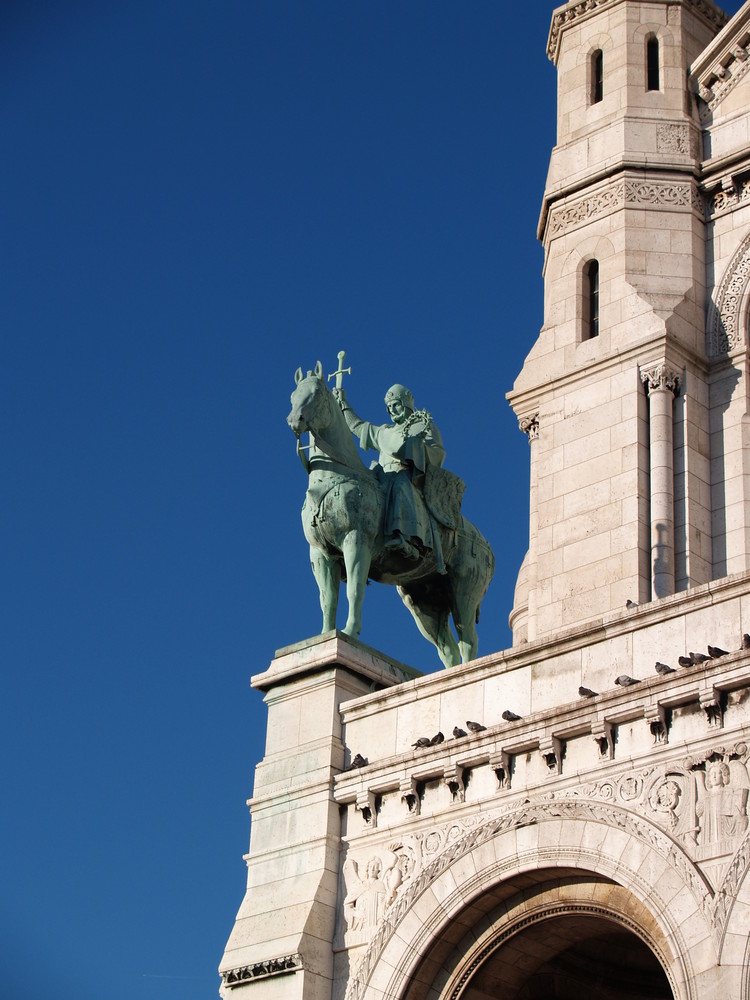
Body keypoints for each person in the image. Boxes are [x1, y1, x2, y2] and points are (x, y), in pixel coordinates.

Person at [333, 383, 445, 563]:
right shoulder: (385, 431)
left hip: (409, 477)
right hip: (381, 476)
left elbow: (437, 454)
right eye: (389, 407)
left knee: (400, 483)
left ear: (406, 403)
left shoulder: (424, 426)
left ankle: (407, 538)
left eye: (396, 404)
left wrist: (414, 448)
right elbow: (359, 427)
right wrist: (344, 404)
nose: (392, 410)